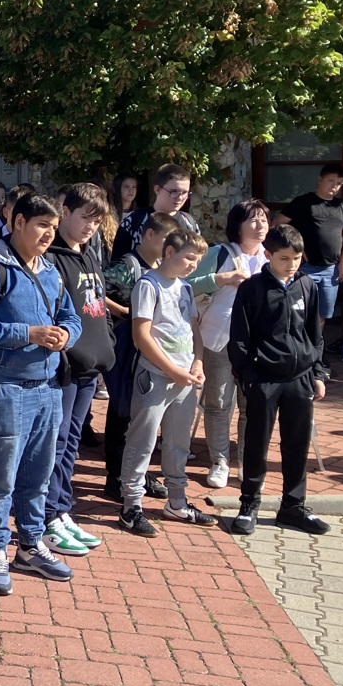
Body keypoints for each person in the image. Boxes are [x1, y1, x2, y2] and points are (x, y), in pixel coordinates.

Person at [0, 193, 82, 596]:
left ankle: (30, 545)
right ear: (18, 222)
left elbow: (71, 316)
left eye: (53, 227)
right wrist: (28, 334)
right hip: (5, 388)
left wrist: (67, 335)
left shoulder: (51, 270)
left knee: (39, 475)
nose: (49, 234)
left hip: (48, 388)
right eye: (42, 225)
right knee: (1, 478)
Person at [228, 224, 332, 537]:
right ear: (269, 255)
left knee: (297, 444)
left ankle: (293, 507)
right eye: (284, 258)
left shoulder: (307, 285)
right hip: (264, 379)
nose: (291, 265)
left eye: (297, 258)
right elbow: (240, 336)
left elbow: (314, 334)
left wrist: (318, 373)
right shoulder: (253, 288)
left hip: (299, 378)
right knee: (257, 444)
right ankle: (249, 504)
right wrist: (248, 375)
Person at [118, 228, 215, 538]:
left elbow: (194, 330)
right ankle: (131, 506)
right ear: (169, 252)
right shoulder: (149, 285)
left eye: (197, 260)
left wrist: (198, 361)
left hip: (185, 378)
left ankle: (177, 501)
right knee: (142, 441)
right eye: (189, 258)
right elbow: (141, 336)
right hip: (156, 376)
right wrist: (172, 370)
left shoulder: (185, 287)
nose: (193, 265)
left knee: (178, 443)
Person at [42, 184, 116, 557]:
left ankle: (61, 507)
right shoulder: (52, 260)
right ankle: (46, 517)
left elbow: (98, 308)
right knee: (54, 443)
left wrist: (107, 345)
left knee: (71, 441)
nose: (90, 226)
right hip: (65, 369)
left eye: (97, 221)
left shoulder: (88, 257)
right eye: (85, 217)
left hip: (90, 367)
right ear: (65, 212)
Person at [189, 200, 270, 489]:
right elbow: (186, 285)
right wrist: (221, 279)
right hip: (217, 339)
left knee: (252, 406)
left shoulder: (270, 257)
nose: (260, 226)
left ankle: (247, 463)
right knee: (219, 403)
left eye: (264, 220)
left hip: (256, 344)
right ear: (238, 225)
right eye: (253, 220)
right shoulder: (219, 253)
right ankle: (219, 461)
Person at [102, 212, 177, 502]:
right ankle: (115, 476)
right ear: (149, 235)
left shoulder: (162, 268)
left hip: (152, 352)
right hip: (127, 350)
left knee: (144, 414)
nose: (170, 247)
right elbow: (95, 291)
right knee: (122, 410)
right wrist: (122, 311)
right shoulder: (127, 265)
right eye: (166, 239)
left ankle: (138, 472)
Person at [275, 163, 343, 326]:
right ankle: (297, 342)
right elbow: (278, 225)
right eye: (330, 181)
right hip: (304, 267)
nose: (334, 186)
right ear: (320, 179)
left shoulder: (342, 205)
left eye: (339, 183)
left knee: (323, 314)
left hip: (331, 269)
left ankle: (315, 342)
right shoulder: (303, 201)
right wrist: (294, 249)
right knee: (298, 311)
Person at [112, 163, 200, 258]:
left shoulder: (190, 223)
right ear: (157, 189)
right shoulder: (133, 221)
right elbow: (117, 263)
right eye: (174, 191)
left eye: (185, 193)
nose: (180, 198)